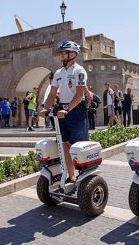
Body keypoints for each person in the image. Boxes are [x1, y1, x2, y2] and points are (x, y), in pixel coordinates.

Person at [40, 40, 87, 183]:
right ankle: (71, 176)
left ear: (72, 54)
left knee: (77, 145)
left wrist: (66, 109)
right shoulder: (58, 73)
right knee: (65, 144)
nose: (61, 55)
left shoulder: (79, 71)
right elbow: (52, 94)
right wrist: (45, 108)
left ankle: (84, 176)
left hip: (76, 112)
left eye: (64, 52)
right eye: (61, 52)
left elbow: (79, 95)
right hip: (62, 112)